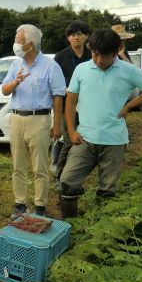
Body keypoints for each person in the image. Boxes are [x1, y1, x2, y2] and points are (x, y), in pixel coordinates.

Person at [58, 28, 142, 217]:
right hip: (85, 138)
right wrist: (72, 131)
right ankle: (70, 224)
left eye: (105, 57)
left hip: (114, 140)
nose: (99, 60)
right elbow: (71, 100)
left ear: (117, 52)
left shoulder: (128, 70)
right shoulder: (82, 69)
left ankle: (101, 227)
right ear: (91, 49)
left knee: (107, 189)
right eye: (95, 55)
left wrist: (130, 105)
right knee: (67, 180)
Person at [2, 24, 66, 218]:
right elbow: (5, 89)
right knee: (18, 165)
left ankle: (40, 207)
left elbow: (58, 96)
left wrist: (57, 125)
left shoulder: (50, 66)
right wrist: (16, 81)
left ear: (29, 44)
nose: (15, 44)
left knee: (40, 166)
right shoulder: (15, 65)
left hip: (39, 119)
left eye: (18, 40)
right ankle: (20, 204)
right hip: (16, 118)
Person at [53, 20, 92, 185]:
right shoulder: (60, 57)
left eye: (79, 34)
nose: (76, 37)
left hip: (87, 105)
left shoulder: (92, 55)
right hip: (65, 105)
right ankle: (59, 175)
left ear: (86, 36)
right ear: (68, 38)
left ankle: (74, 175)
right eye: (72, 34)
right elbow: (55, 84)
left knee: (83, 140)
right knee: (69, 141)